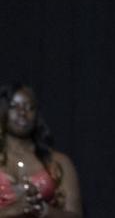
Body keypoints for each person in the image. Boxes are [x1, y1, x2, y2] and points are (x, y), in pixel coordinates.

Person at [0, 83, 82, 218]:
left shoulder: (58, 162)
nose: (22, 113)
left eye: (29, 107)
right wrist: (11, 210)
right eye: (14, 106)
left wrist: (44, 210)